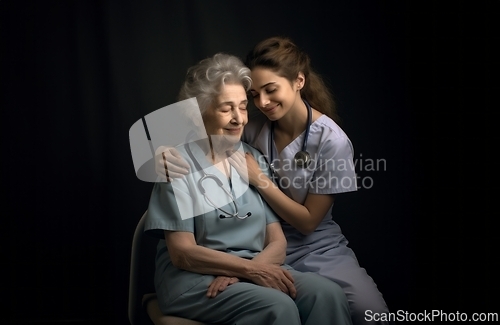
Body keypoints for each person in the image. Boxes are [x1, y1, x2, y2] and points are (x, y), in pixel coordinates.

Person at [157, 37, 390, 325]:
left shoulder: (330, 140)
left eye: (270, 91)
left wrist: (259, 180)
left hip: (309, 243)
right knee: (281, 307)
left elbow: (307, 222)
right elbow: (197, 116)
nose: (261, 103)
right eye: (254, 95)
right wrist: (160, 149)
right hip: (254, 246)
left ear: (299, 81)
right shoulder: (254, 128)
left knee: (369, 314)